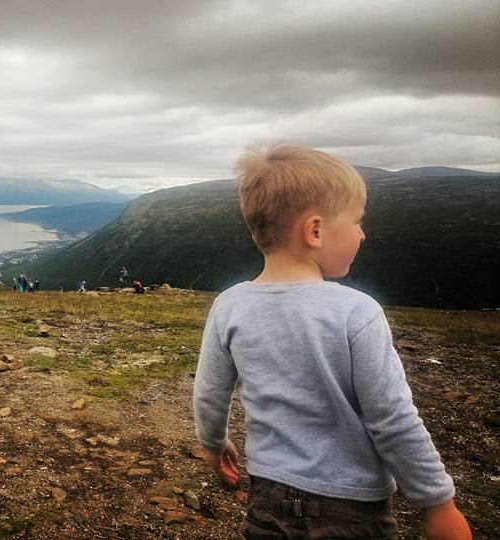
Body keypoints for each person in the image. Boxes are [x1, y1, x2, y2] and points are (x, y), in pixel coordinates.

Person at [193, 145, 470, 540]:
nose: (363, 232)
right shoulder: (357, 311)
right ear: (315, 230)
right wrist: (438, 503)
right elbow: (392, 419)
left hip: (267, 496)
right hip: (353, 508)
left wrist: (213, 444)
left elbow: (209, 394)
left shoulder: (230, 305)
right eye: (357, 221)